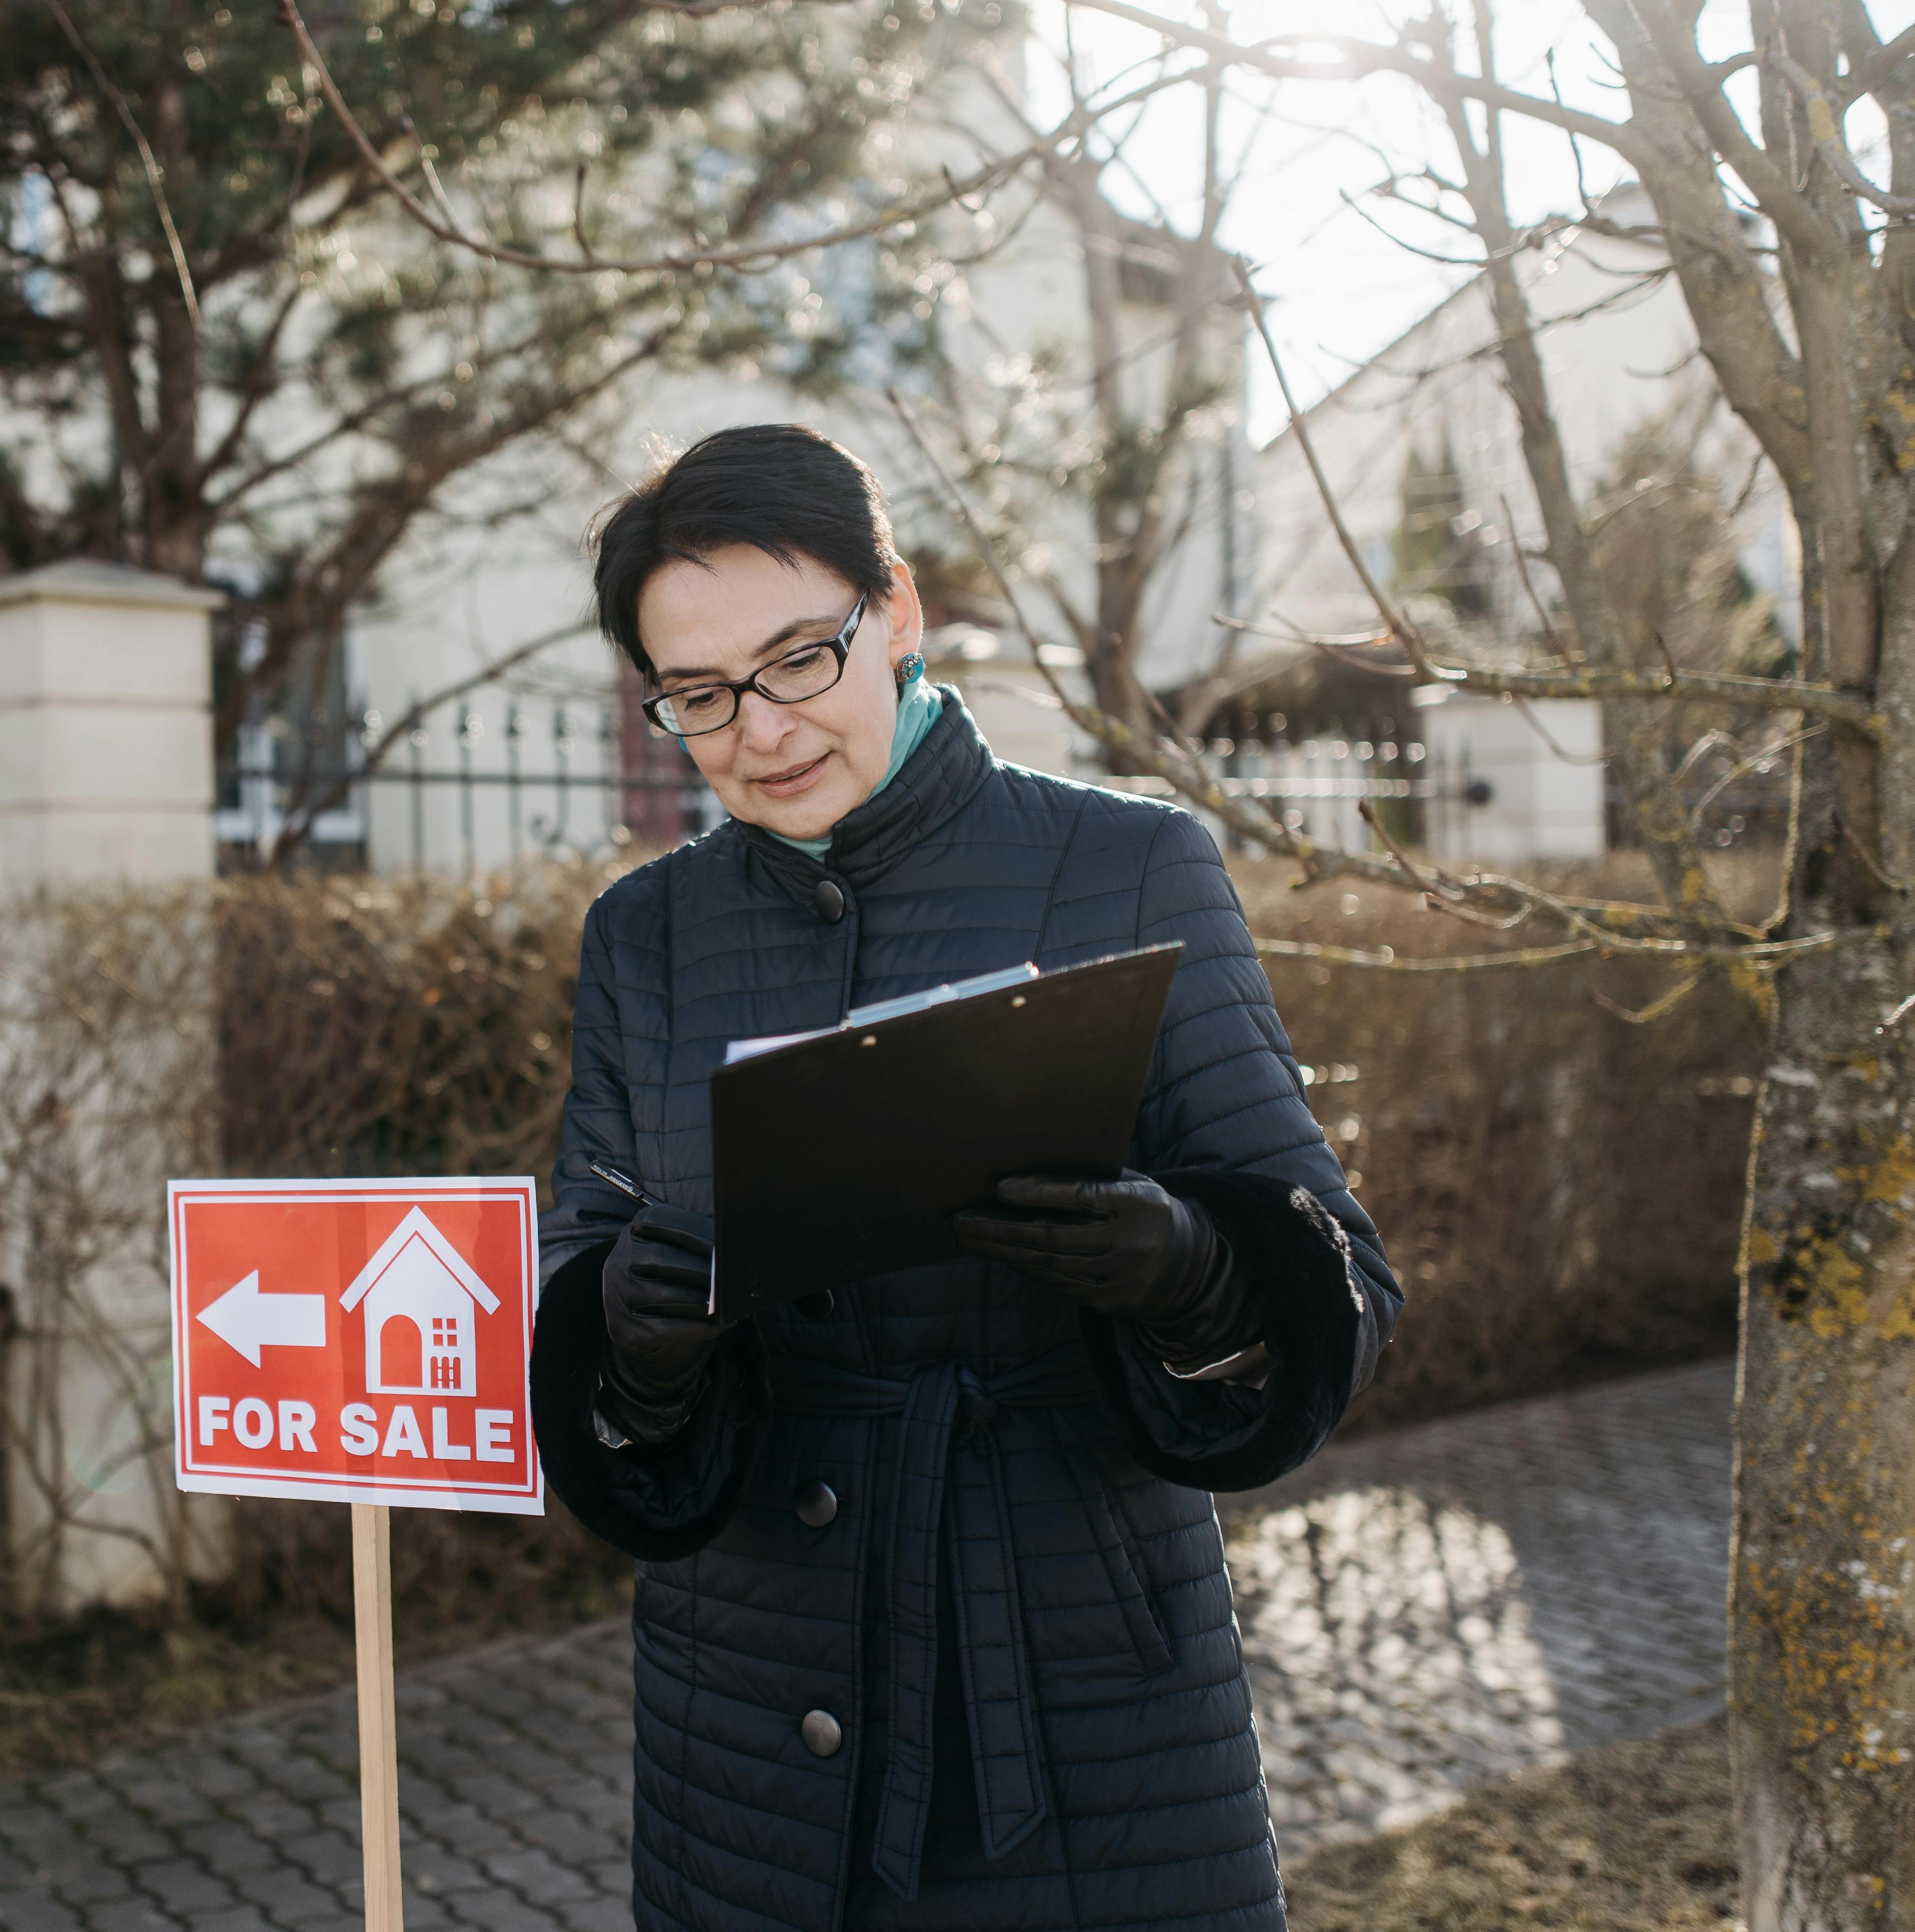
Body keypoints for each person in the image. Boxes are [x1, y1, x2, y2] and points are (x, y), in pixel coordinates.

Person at [530, 424, 1398, 1932]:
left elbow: (1341, 1279)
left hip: (1070, 1689)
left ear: (902, 612)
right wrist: (632, 1339)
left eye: (802, 657)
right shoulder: (646, 936)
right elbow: (582, 1258)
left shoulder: (1127, 866)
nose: (762, 728)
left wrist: (1189, 1268)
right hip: (741, 1711)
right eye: (702, 694)